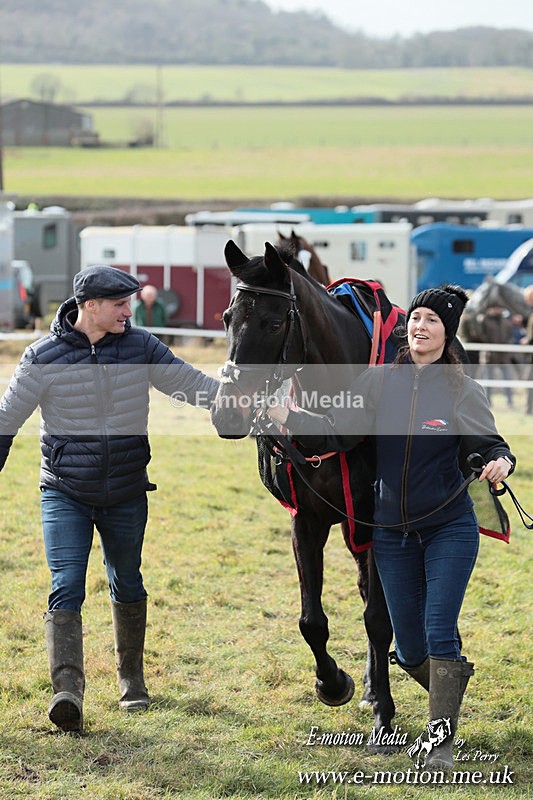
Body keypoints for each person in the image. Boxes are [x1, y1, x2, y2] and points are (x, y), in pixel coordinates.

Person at [266, 284, 516, 770]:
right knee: (408, 647)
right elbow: (336, 430)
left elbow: (488, 442)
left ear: (447, 335)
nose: (420, 327)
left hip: (448, 529)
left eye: (432, 322)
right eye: (416, 318)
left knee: (440, 630)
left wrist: (499, 461)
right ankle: (448, 684)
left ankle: (440, 741)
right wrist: (287, 415)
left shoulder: (463, 389)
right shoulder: (379, 382)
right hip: (392, 535)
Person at [0, 265, 219, 734]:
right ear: (90, 306)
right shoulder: (44, 355)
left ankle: (131, 679)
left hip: (125, 489)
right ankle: (67, 692)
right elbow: (7, 418)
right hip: (64, 490)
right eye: (120, 304)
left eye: (130, 302)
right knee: (67, 585)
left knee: (127, 578)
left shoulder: (140, 346)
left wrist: (245, 401)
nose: (129, 310)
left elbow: (193, 384)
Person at [478, 305, 515, 407]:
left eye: (498, 308)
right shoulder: (484, 320)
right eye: (494, 307)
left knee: (507, 379)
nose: (496, 309)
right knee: (488, 380)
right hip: (489, 355)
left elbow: (510, 337)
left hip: (504, 355)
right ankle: (487, 402)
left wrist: (506, 348)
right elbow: (481, 336)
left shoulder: (506, 322)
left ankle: (510, 402)